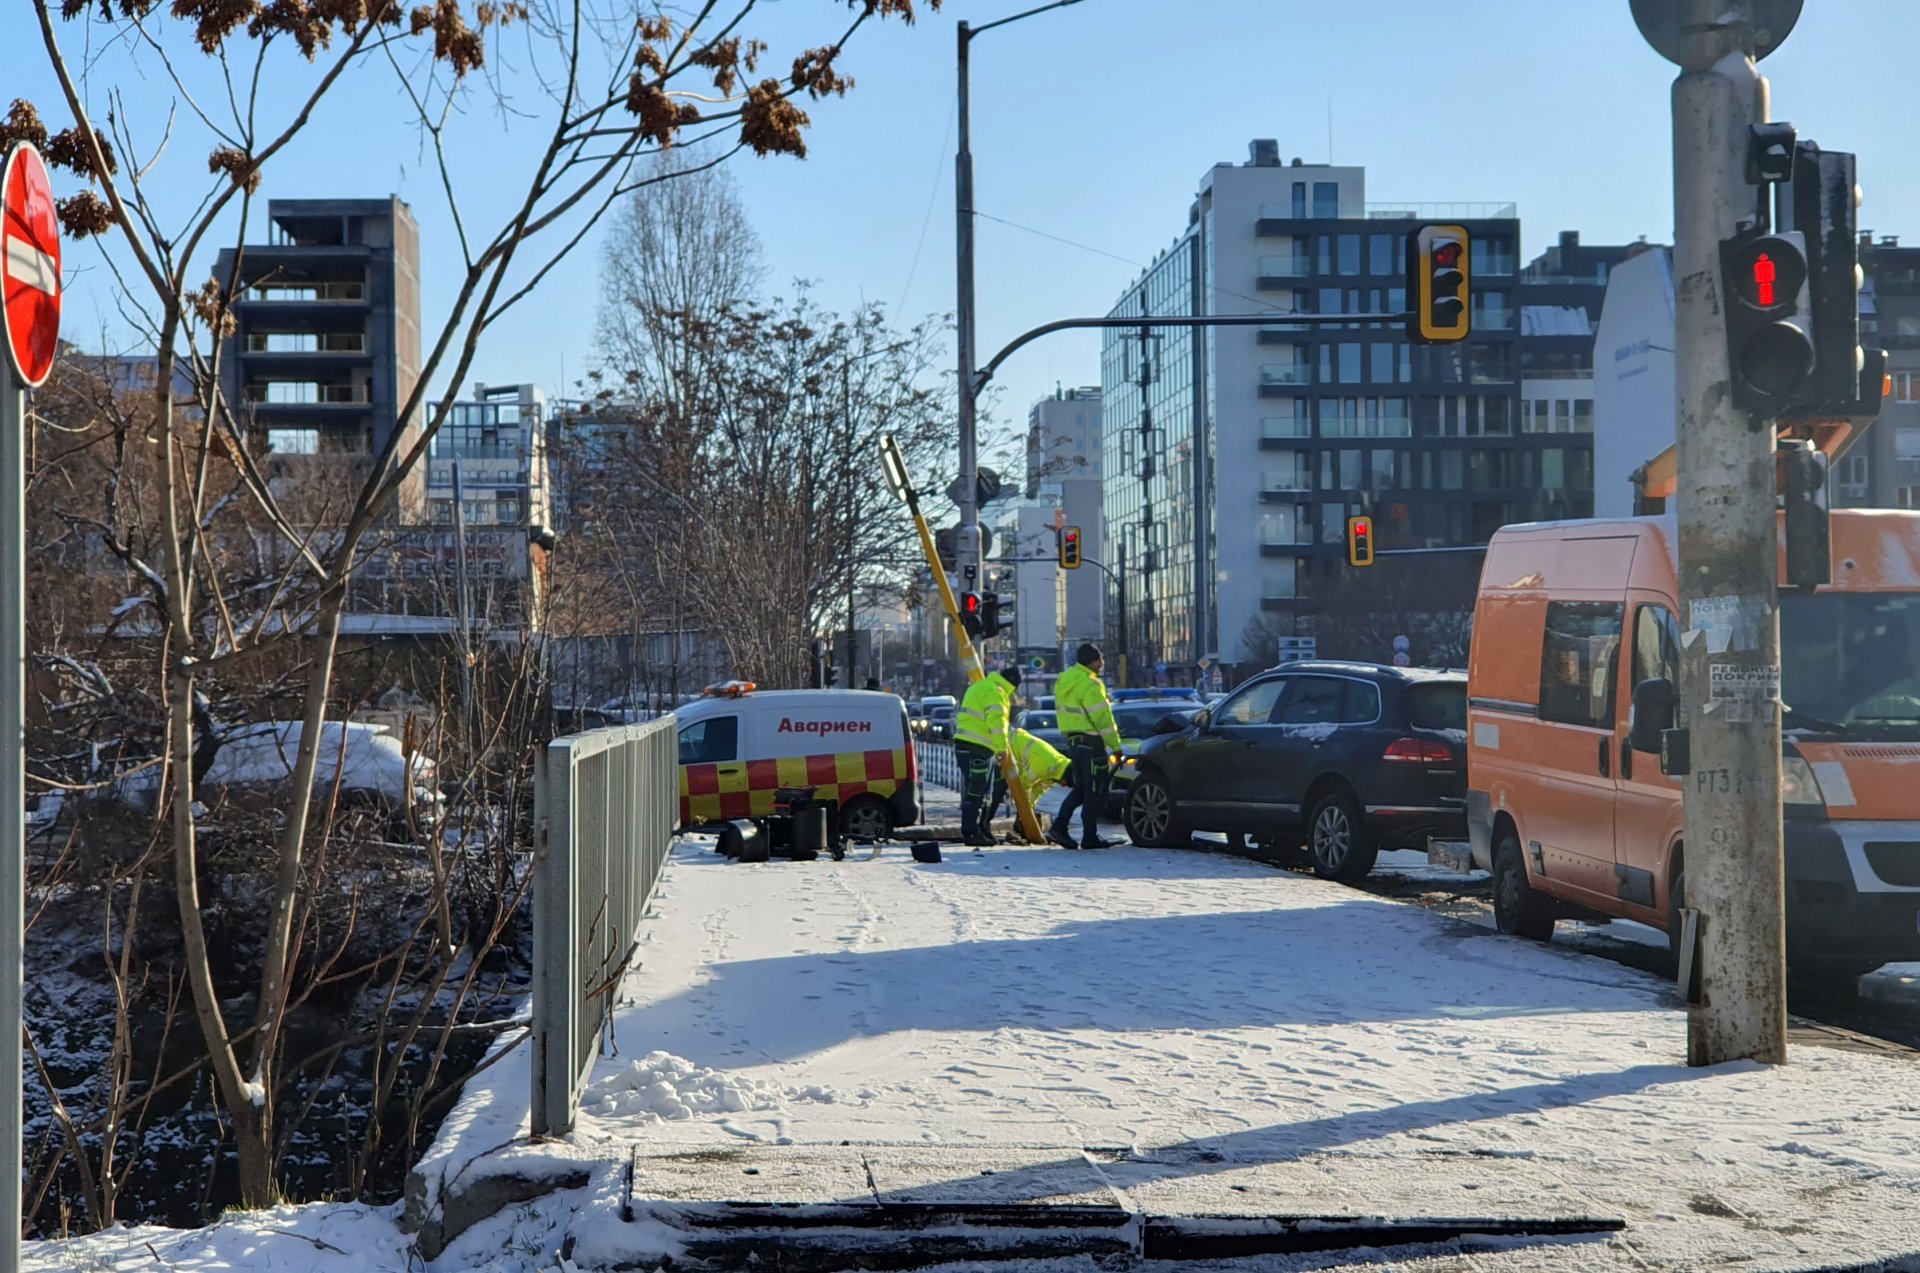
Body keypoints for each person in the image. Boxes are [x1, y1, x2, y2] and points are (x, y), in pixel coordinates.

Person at [1052, 643, 1123, 849]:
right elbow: (1103, 719)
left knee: (1081, 788)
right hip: (1092, 743)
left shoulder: (1064, 681)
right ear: (1091, 661)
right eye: (1099, 659)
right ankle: (1089, 836)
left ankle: (1059, 826)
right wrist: (1115, 746)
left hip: (1074, 741)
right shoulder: (1090, 684)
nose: (1102, 664)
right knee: (1094, 790)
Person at [953, 667, 1021, 846]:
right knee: (977, 791)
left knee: (980, 791)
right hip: (978, 747)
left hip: (969, 745)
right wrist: (1002, 748)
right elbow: (996, 723)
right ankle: (971, 832)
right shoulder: (997, 693)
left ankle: (980, 830)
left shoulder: (980, 685)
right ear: (1013, 685)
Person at [1010, 727, 1074, 826]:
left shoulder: (1053, 774)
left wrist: (1028, 809)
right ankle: (983, 826)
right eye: (1066, 783)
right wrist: (1024, 813)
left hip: (1016, 753)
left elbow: (1037, 792)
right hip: (1010, 745)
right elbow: (1023, 786)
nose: (1063, 786)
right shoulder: (1045, 766)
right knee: (998, 789)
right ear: (1065, 776)